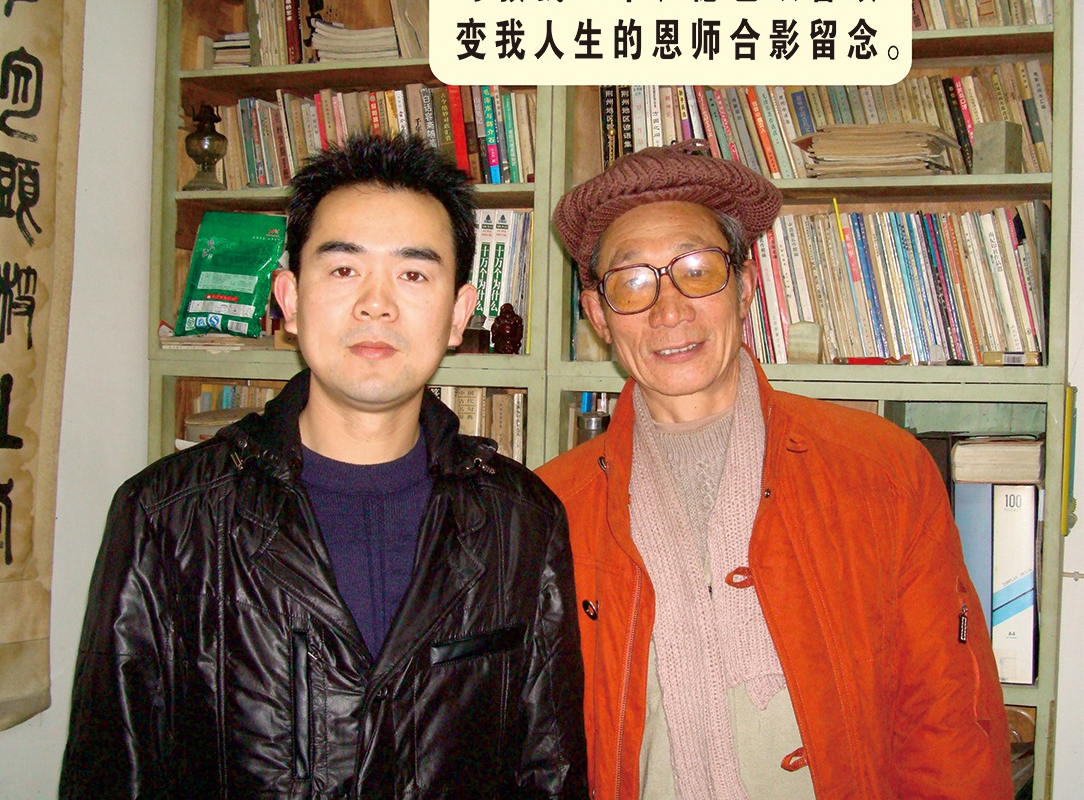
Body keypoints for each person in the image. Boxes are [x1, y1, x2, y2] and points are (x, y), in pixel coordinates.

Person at [61, 134, 588, 799]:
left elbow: (551, 771)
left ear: (459, 314)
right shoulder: (166, 515)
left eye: (413, 274)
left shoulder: (522, 520)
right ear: (288, 298)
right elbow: (115, 768)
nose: (376, 303)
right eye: (343, 269)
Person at [537, 143, 1011, 800]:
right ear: (598, 315)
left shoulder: (882, 471)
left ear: (746, 287)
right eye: (633, 281)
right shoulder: (549, 508)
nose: (669, 310)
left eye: (698, 270)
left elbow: (948, 722)